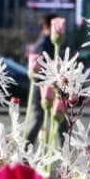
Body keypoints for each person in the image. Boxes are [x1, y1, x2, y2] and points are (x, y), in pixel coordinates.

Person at [26, 13, 64, 147]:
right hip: (45, 89)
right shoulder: (45, 43)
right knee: (40, 121)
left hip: (46, 88)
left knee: (44, 121)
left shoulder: (42, 42)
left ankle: (25, 151)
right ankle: (24, 152)